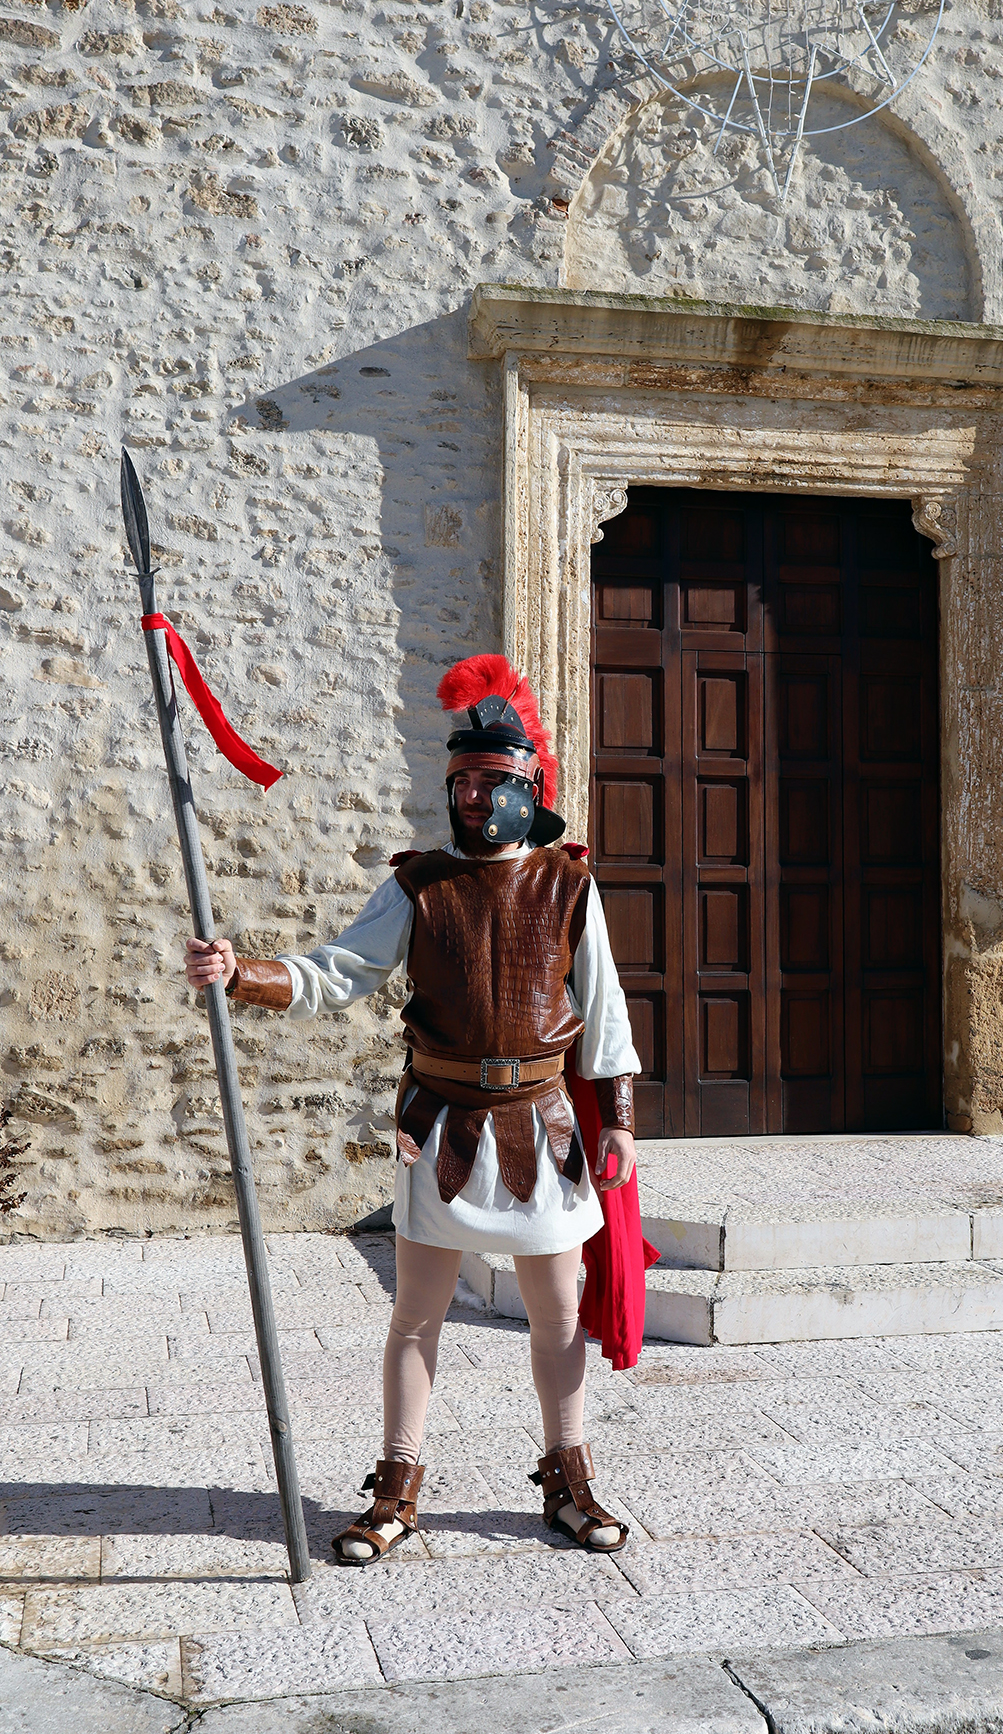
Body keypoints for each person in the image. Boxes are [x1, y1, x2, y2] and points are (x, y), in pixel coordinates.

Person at [184, 655, 642, 1565]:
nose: (469, 798)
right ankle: (396, 1488)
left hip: (543, 1124)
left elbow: (606, 1007)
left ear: (525, 788)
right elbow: (338, 971)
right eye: (460, 782)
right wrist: (244, 974)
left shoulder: (569, 884)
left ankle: (568, 1480)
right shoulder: (418, 884)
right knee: (416, 1316)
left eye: (488, 782)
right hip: (444, 1126)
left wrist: (620, 1116)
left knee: (556, 1317)